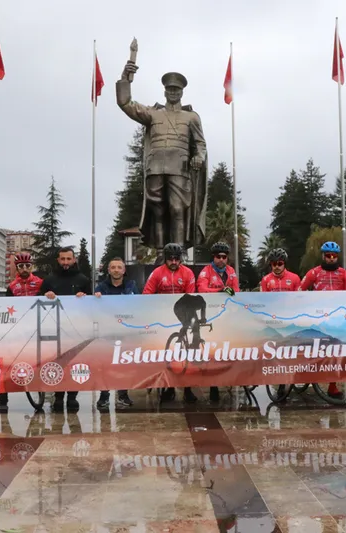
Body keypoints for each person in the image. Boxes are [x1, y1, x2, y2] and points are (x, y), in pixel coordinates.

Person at [116, 61, 208, 255]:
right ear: (165, 92)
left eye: (176, 89)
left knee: (177, 208)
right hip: (155, 166)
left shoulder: (191, 117)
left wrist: (198, 156)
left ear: (182, 92)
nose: (173, 92)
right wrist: (125, 79)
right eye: (170, 89)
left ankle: (178, 252)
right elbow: (125, 103)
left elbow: (200, 144)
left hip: (180, 167)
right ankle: (160, 252)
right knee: (157, 209)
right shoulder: (153, 113)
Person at [143, 242, 198, 403]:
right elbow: (146, 294)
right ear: (165, 259)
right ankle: (170, 387)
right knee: (165, 351)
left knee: (190, 347)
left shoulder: (187, 273)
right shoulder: (157, 273)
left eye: (176, 259)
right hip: (164, 314)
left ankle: (188, 388)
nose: (174, 262)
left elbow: (190, 296)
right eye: (170, 259)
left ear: (180, 259)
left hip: (183, 311)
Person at [41, 246, 92, 412]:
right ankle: (58, 396)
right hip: (54, 328)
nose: (65, 262)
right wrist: (46, 295)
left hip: (76, 328)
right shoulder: (49, 280)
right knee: (57, 362)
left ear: (74, 260)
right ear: (58, 260)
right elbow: (38, 301)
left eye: (68, 259)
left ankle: (72, 396)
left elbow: (91, 304)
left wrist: (84, 298)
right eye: (62, 259)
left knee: (75, 362)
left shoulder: (83, 280)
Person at [300, 241, 346, 399]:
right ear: (323, 256)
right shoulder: (313, 273)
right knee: (315, 350)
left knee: (335, 352)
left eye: (334, 256)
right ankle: (307, 374)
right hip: (318, 319)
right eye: (328, 255)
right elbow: (299, 291)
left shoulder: (344, 274)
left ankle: (332, 386)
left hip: (336, 319)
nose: (331, 258)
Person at [94, 257, 138, 409]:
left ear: (124, 270)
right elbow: (94, 308)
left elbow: (140, 304)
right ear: (108, 270)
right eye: (113, 267)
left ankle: (123, 395)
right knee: (105, 364)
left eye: (119, 267)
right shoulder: (101, 287)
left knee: (124, 364)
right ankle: (104, 396)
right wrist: (95, 299)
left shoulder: (132, 285)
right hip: (107, 332)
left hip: (126, 331)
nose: (116, 270)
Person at [196, 241, 237, 402]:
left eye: (224, 257)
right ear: (213, 257)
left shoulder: (231, 271)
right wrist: (220, 290)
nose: (221, 259)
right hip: (209, 315)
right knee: (212, 351)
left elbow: (235, 291)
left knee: (225, 349)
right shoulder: (206, 271)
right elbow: (202, 289)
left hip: (226, 315)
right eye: (218, 257)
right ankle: (213, 385)